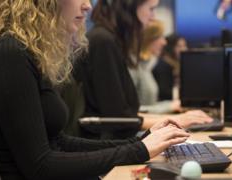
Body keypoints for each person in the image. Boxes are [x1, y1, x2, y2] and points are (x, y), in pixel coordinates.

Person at [0, 0, 190, 179]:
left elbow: (57, 142)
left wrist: (139, 142)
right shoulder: (9, 54)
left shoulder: (25, 53)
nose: (88, 6)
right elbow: (40, 166)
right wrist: (138, 151)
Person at [74, 0, 212, 139]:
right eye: (151, 9)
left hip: (115, 145)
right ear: (129, 8)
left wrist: (174, 119)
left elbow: (127, 115)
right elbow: (119, 118)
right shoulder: (103, 41)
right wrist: (176, 120)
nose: (153, 17)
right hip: (108, 148)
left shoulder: (109, 40)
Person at [129, 20, 182, 114]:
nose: (164, 42)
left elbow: (151, 106)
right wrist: (169, 107)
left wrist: (174, 104)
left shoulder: (144, 67)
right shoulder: (133, 67)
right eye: (159, 37)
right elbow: (133, 112)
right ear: (147, 39)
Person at [153, 34, 188, 101]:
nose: (184, 49)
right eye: (179, 46)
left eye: (185, 45)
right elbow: (164, 92)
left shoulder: (177, 65)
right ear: (170, 47)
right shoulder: (163, 65)